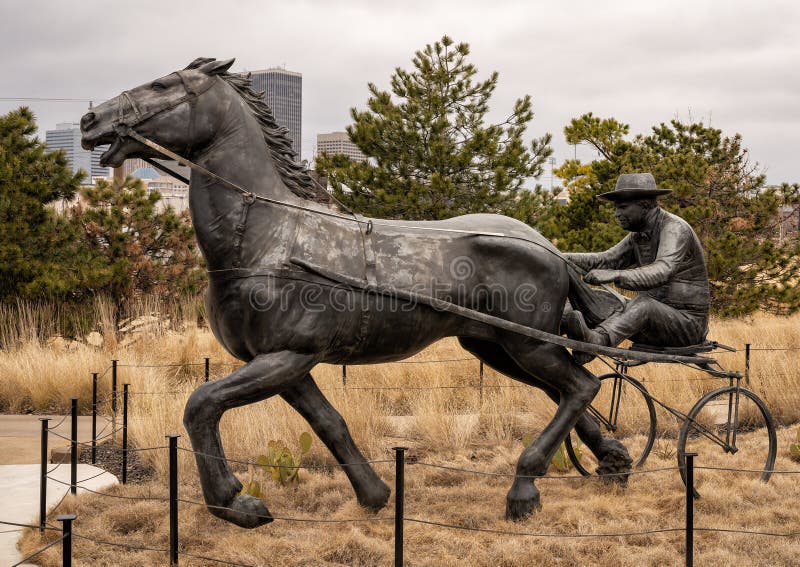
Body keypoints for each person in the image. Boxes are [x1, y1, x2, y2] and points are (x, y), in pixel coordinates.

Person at [563, 173, 710, 364]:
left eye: (623, 207)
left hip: (687, 324)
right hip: (651, 319)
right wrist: (557, 255)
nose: (617, 214)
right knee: (580, 305)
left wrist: (615, 275)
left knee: (644, 304)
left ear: (645, 205)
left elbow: (663, 269)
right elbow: (605, 260)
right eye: (616, 208)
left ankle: (597, 341)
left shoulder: (674, 228)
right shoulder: (638, 235)